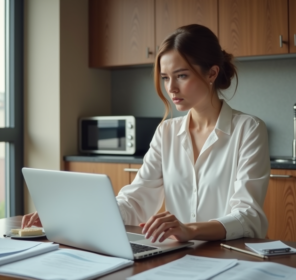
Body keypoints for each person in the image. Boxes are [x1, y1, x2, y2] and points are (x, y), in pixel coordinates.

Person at [22, 24, 270, 244]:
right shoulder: (167, 132)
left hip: (232, 256)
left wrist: (190, 230)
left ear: (212, 73)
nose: (171, 88)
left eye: (181, 76)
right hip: (181, 256)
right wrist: (66, 216)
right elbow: (135, 201)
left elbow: (248, 216)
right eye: (165, 78)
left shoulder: (248, 129)